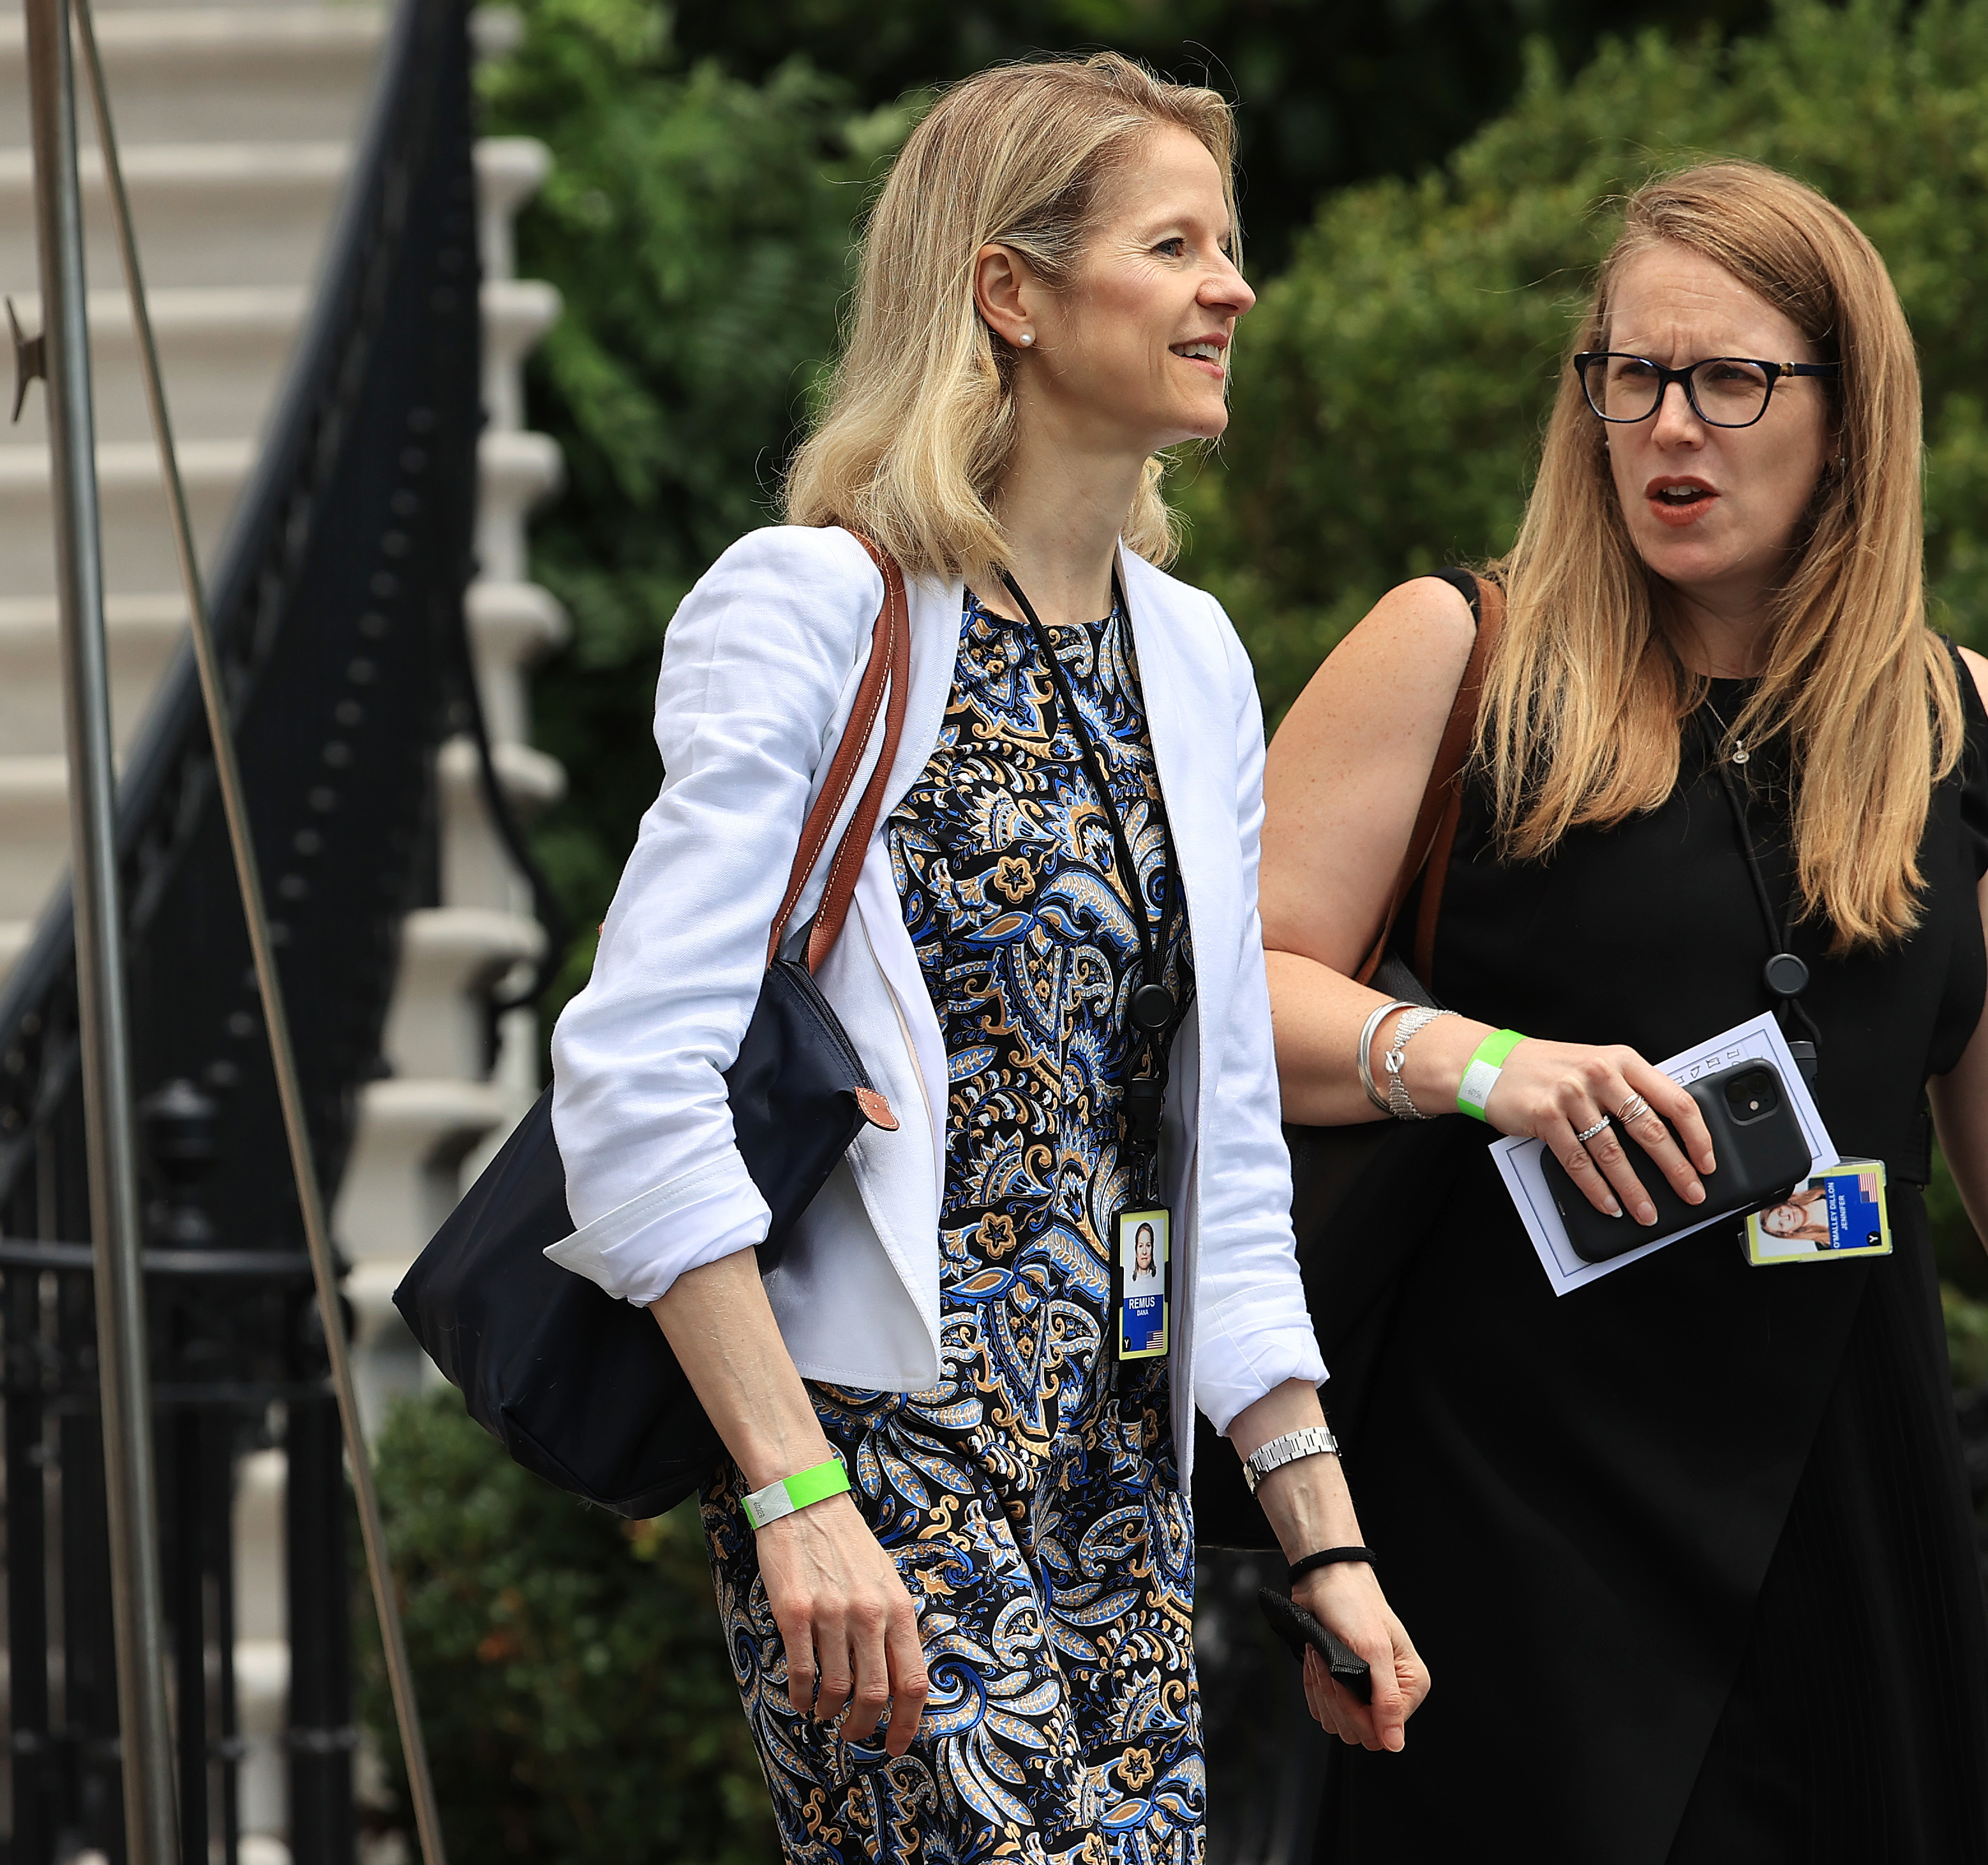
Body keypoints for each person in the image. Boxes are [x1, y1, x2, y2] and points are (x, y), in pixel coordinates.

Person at [1260, 159, 1988, 1860]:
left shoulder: (1959, 724)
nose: (1668, 428)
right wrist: (1486, 1068)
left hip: (1848, 1486)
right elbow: (1229, 1007)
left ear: (1849, 417)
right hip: (1512, 1486)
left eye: (1731, 381)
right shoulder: (1456, 651)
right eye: (1631, 375)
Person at [545, 55, 1426, 1862]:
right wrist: (796, 1495)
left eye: (1231, 244)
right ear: (1008, 293)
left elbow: (1221, 1146)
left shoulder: (1192, 659)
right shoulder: (812, 608)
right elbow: (633, 1083)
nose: (1233, 289)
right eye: (1176, 244)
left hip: (1121, 1489)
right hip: (882, 1472)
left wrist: (1317, 1523)